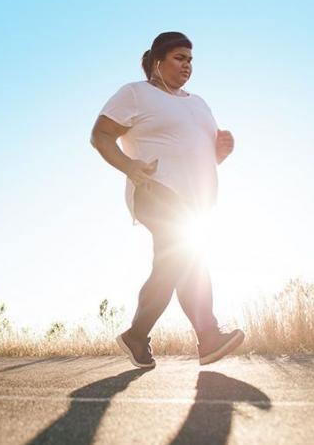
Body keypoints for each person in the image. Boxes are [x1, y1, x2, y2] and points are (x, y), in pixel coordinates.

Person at [90, 32, 244, 367]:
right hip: (154, 189)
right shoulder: (135, 93)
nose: (187, 65)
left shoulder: (199, 103)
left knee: (180, 262)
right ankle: (208, 336)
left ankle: (138, 336)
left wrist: (220, 152)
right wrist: (129, 165)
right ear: (157, 61)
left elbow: (193, 157)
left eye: (190, 59)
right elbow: (100, 134)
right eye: (179, 57)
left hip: (195, 201)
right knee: (184, 257)